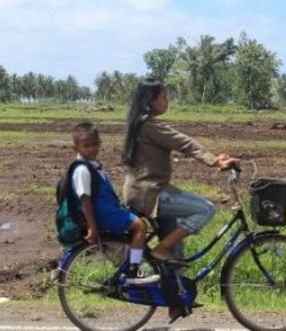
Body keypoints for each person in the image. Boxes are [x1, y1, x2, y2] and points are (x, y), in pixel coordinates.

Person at [122, 79, 240, 262]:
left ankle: (172, 286)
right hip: (150, 194)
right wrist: (214, 161)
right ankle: (162, 248)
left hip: (141, 192)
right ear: (150, 100)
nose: (166, 101)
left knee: (175, 254)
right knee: (206, 209)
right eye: (163, 97)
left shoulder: (139, 124)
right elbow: (184, 143)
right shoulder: (150, 126)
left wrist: (215, 159)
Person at [69, 121, 159, 285]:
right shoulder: (82, 170)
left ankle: (129, 262)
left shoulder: (93, 166)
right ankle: (133, 269)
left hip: (107, 211)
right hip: (101, 215)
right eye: (86, 146)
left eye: (95, 144)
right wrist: (92, 227)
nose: (92, 149)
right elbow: (85, 200)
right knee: (140, 226)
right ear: (75, 148)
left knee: (137, 222)